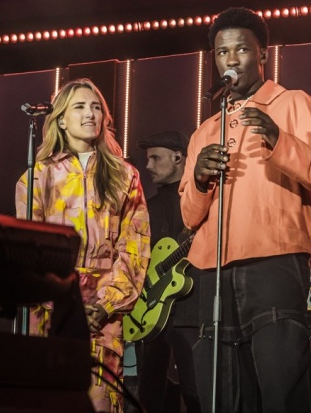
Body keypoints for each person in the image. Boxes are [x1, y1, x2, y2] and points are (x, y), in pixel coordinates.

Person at [179, 7, 311, 412]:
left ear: (263, 55)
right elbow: (188, 216)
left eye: (241, 50)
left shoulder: (292, 103)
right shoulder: (205, 130)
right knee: (223, 392)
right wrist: (200, 181)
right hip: (213, 270)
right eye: (222, 52)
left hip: (273, 262)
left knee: (280, 386)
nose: (231, 60)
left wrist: (279, 140)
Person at [15, 78, 150, 413]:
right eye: (79, 106)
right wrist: (66, 303)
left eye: (96, 107)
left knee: (98, 405)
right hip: (51, 314)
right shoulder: (36, 177)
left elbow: (135, 247)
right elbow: (29, 254)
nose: (90, 113)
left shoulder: (125, 175)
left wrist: (104, 305)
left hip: (102, 317)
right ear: (61, 118)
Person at [134, 129, 200, 413]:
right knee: (150, 390)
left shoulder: (197, 199)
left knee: (195, 388)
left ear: (177, 157)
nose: (147, 166)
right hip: (151, 309)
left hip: (191, 307)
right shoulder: (146, 207)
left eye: (155, 158)